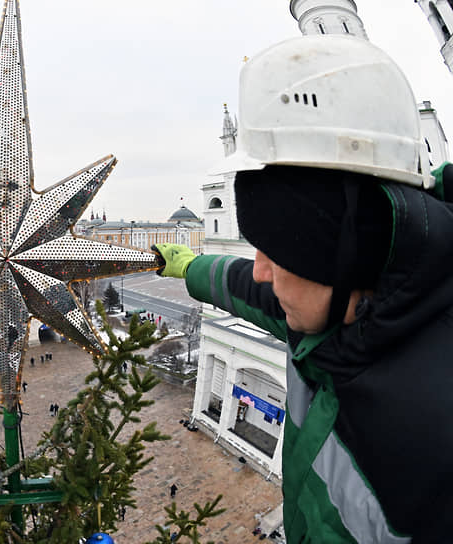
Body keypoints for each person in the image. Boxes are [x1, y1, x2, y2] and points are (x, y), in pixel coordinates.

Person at [153, 36, 453, 542]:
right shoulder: (328, 315)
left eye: (279, 251)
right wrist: (188, 266)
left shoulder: (431, 441)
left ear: (345, 256)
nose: (263, 270)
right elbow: (247, 286)